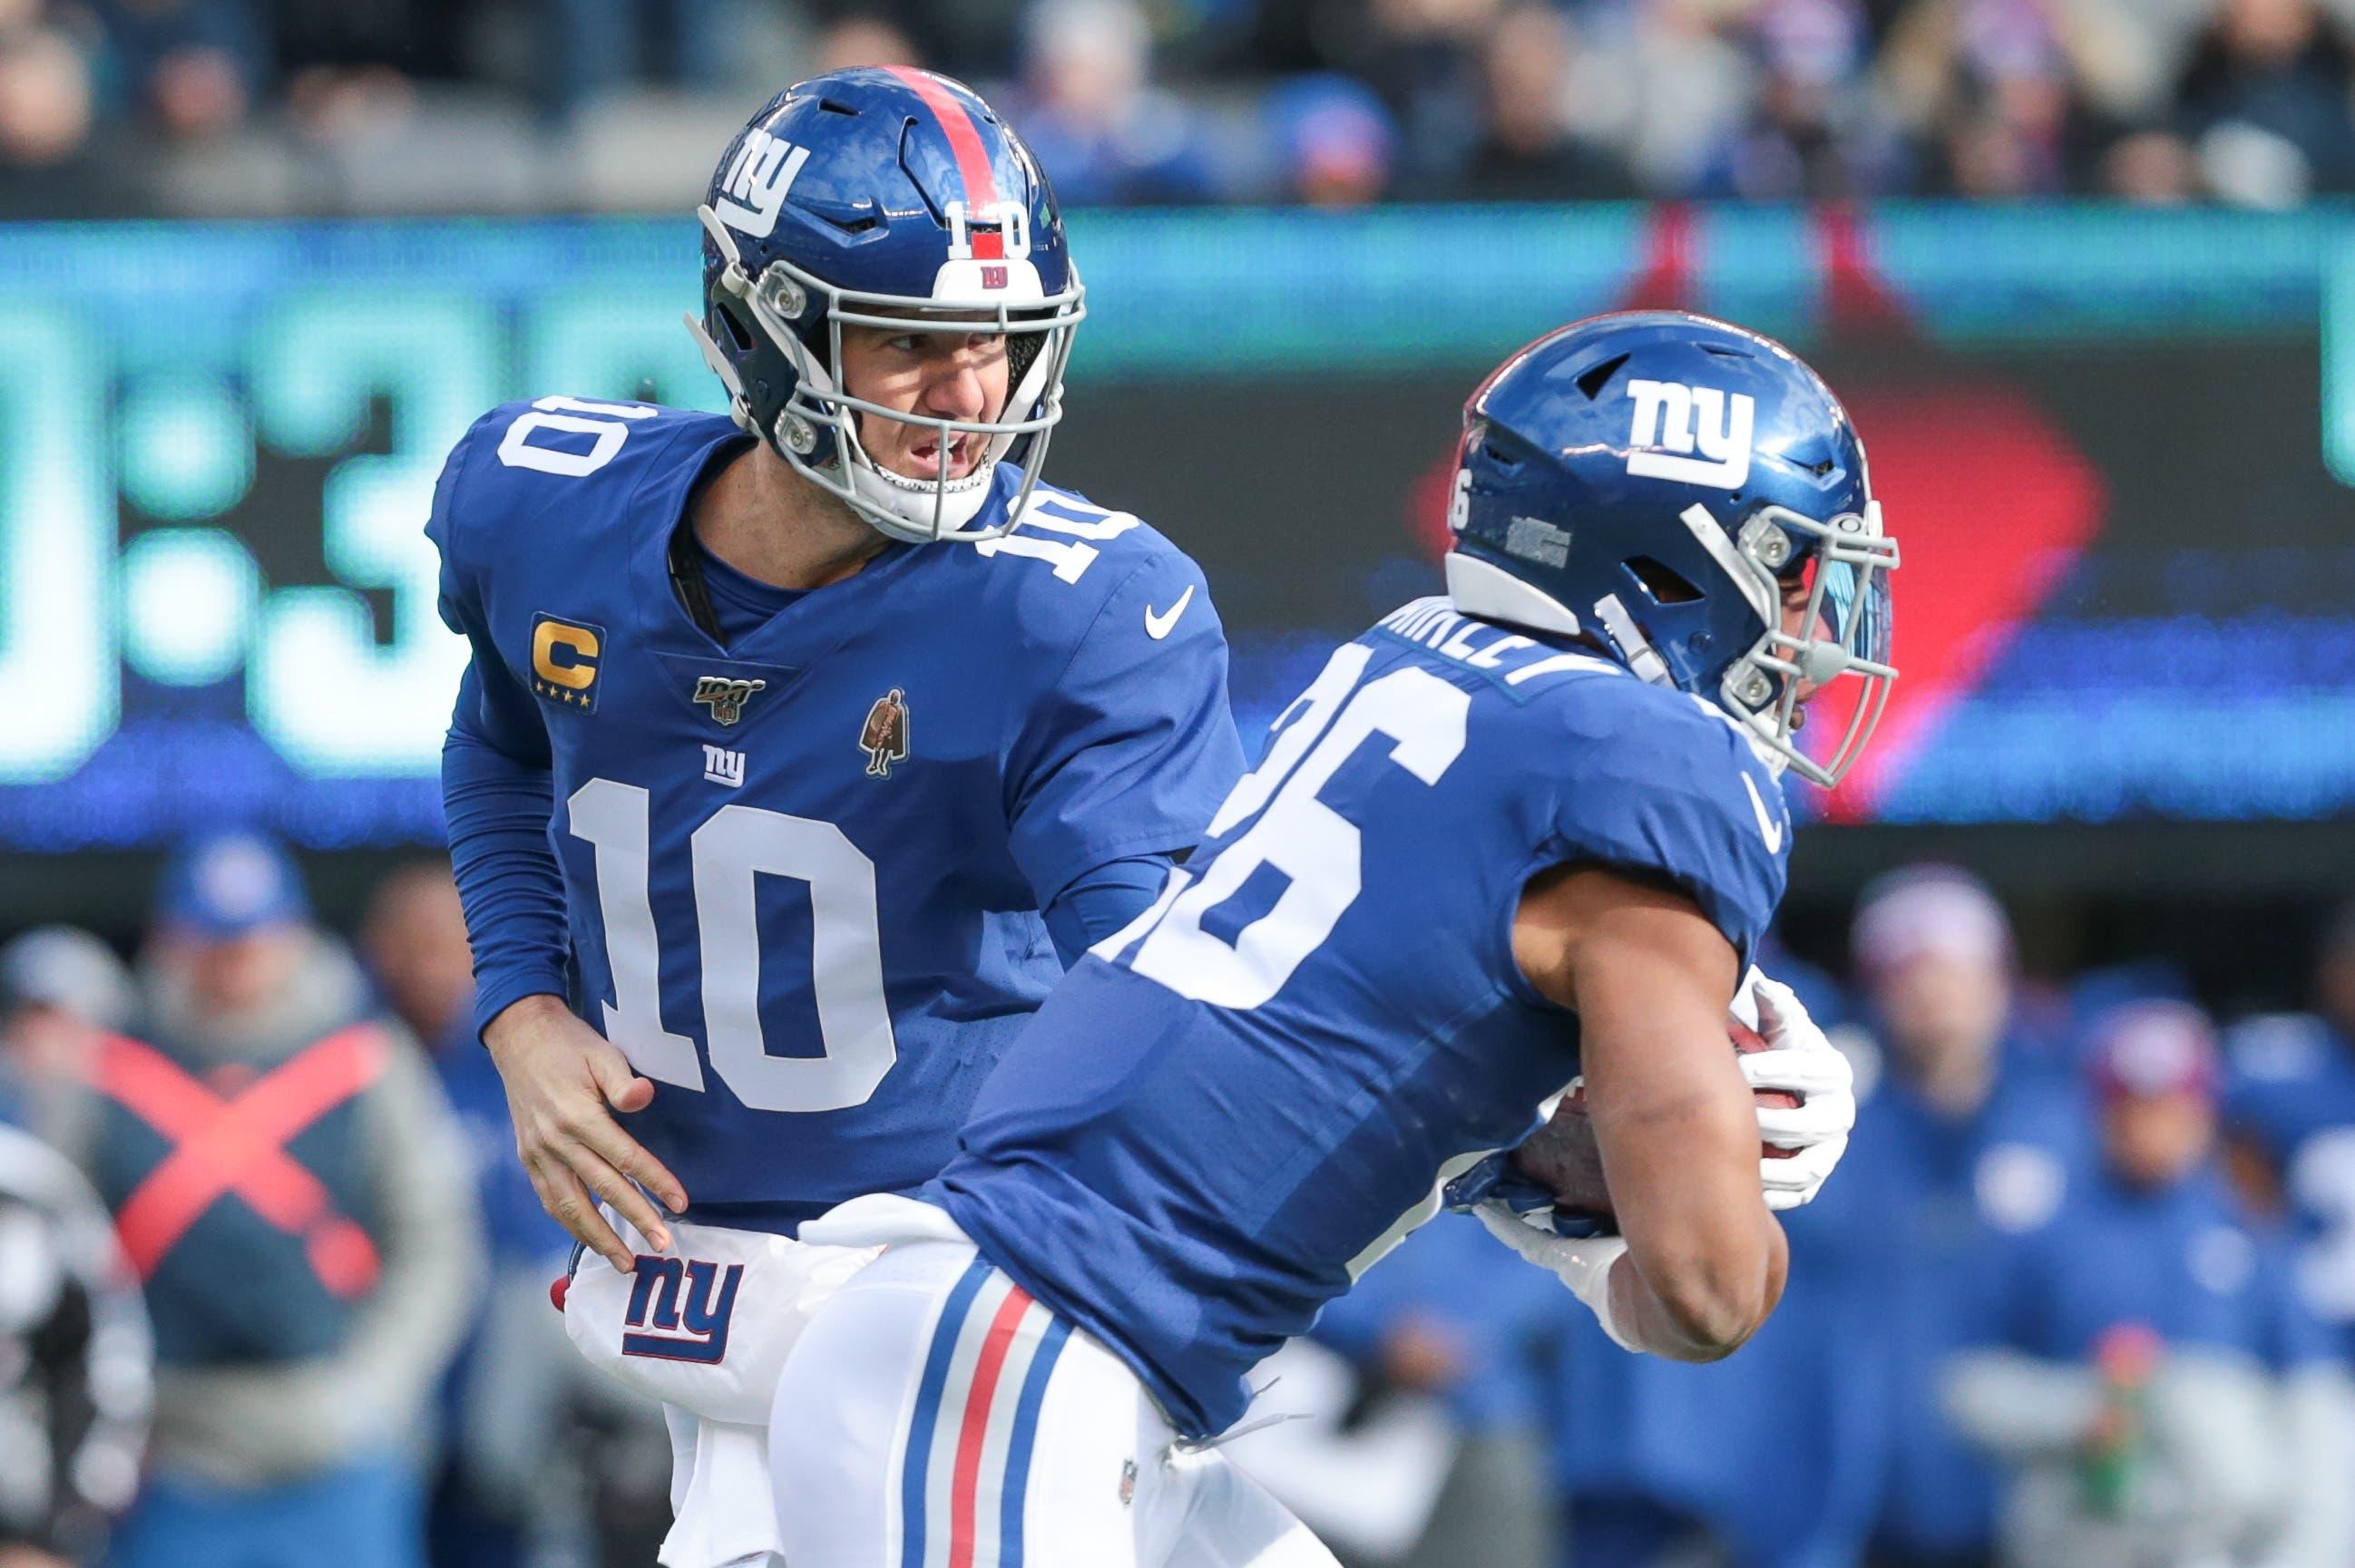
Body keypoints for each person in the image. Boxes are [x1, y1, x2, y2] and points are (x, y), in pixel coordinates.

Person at [769, 308, 1896, 1565]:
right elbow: (1707, 1293)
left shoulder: (1417, 660)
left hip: (1040, 1365)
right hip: (1019, 1365)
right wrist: (1719, 1153)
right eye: (1792, 574)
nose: (1810, 633)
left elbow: (1334, 1058)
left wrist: (1535, 1163)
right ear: (1670, 565)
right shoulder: (1652, 765)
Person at [426, 65, 1243, 1568]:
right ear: (759, 331)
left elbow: (1165, 992)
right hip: (691, 1274)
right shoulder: (534, 507)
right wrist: (521, 1006)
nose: (975, 395)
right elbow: (499, 749)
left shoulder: (1074, 615)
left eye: (1002, 342)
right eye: (919, 344)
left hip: (964, 1284)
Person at [55, 829, 481, 1568]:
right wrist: (107, 1415)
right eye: (211, 940)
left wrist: (374, 1391)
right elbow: (62, 1252)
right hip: (166, 1449)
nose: (233, 964)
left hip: (331, 1437)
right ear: (169, 937)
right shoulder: (105, 1070)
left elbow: (437, 1242)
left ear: (292, 934)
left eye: (252, 939)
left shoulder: (367, 1060)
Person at [1948, 999, 2355, 1568]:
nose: (2151, 1127)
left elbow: (2319, 1412)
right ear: (2101, 1110)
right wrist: (2079, 1409)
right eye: (2132, 1106)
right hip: (2082, 1537)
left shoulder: (2252, 1233)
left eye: (2171, 1106)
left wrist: (2306, 1554)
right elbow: (1965, 1386)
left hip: (2219, 1545)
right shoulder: (2045, 1237)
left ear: (2206, 1112)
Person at [1837, 864, 2091, 1568]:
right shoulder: (1833, 1138)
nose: (1932, 992)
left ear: (2000, 978)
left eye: (1952, 968)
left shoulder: (2066, 1127)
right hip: (1868, 1509)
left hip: (2038, 1506)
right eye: (1907, 972)